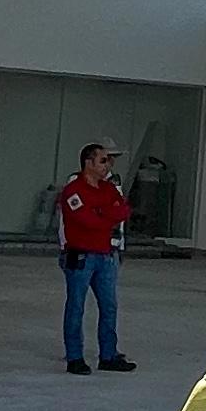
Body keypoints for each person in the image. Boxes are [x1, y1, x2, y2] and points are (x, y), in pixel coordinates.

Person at [54, 141, 137, 374]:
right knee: (76, 307)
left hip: (105, 256)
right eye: (103, 160)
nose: (108, 165)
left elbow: (123, 211)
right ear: (88, 163)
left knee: (109, 307)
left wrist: (101, 213)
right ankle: (75, 358)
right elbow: (86, 220)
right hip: (80, 256)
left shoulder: (108, 188)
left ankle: (108, 355)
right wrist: (106, 215)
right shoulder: (73, 190)